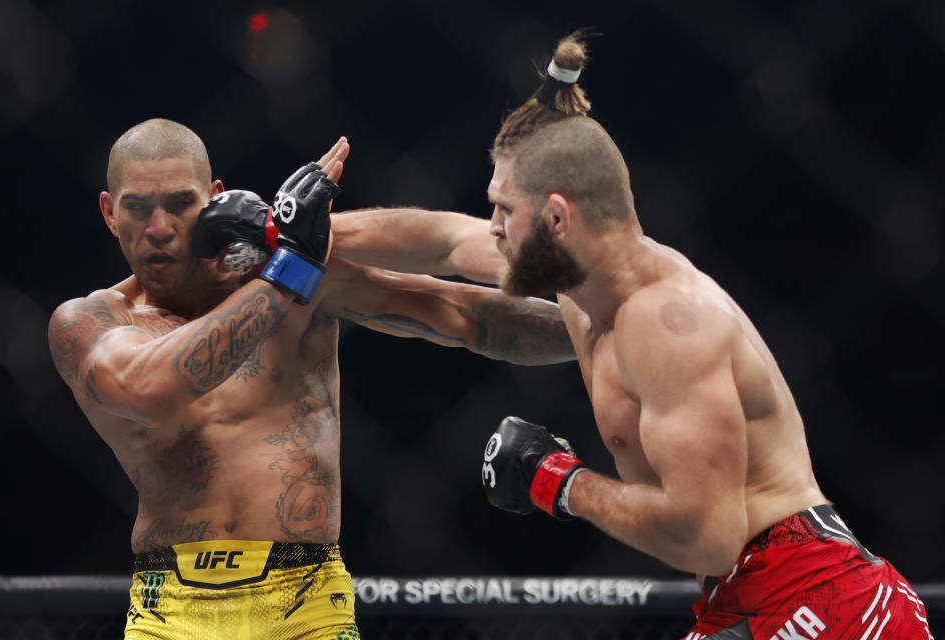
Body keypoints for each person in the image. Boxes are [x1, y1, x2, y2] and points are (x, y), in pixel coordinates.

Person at [346, 34, 935, 640]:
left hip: (821, 597)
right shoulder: (578, 282)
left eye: (501, 209)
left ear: (556, 218)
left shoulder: (668, 323)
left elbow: (709, 537)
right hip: (747, 596)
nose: (490, 228)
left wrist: (556, 479)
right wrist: (286, 234)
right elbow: (440, 240)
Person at [46, 118, 576, 640]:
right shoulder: (89, 322)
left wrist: (607, 325)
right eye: (137, 207)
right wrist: (292, 271)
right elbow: (150, 390)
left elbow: (461, 303)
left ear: (213, 198)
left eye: (180, 204)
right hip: (172, 613)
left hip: (306, 605)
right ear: (109, 212)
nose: (159, 228)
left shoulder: (293, 260)